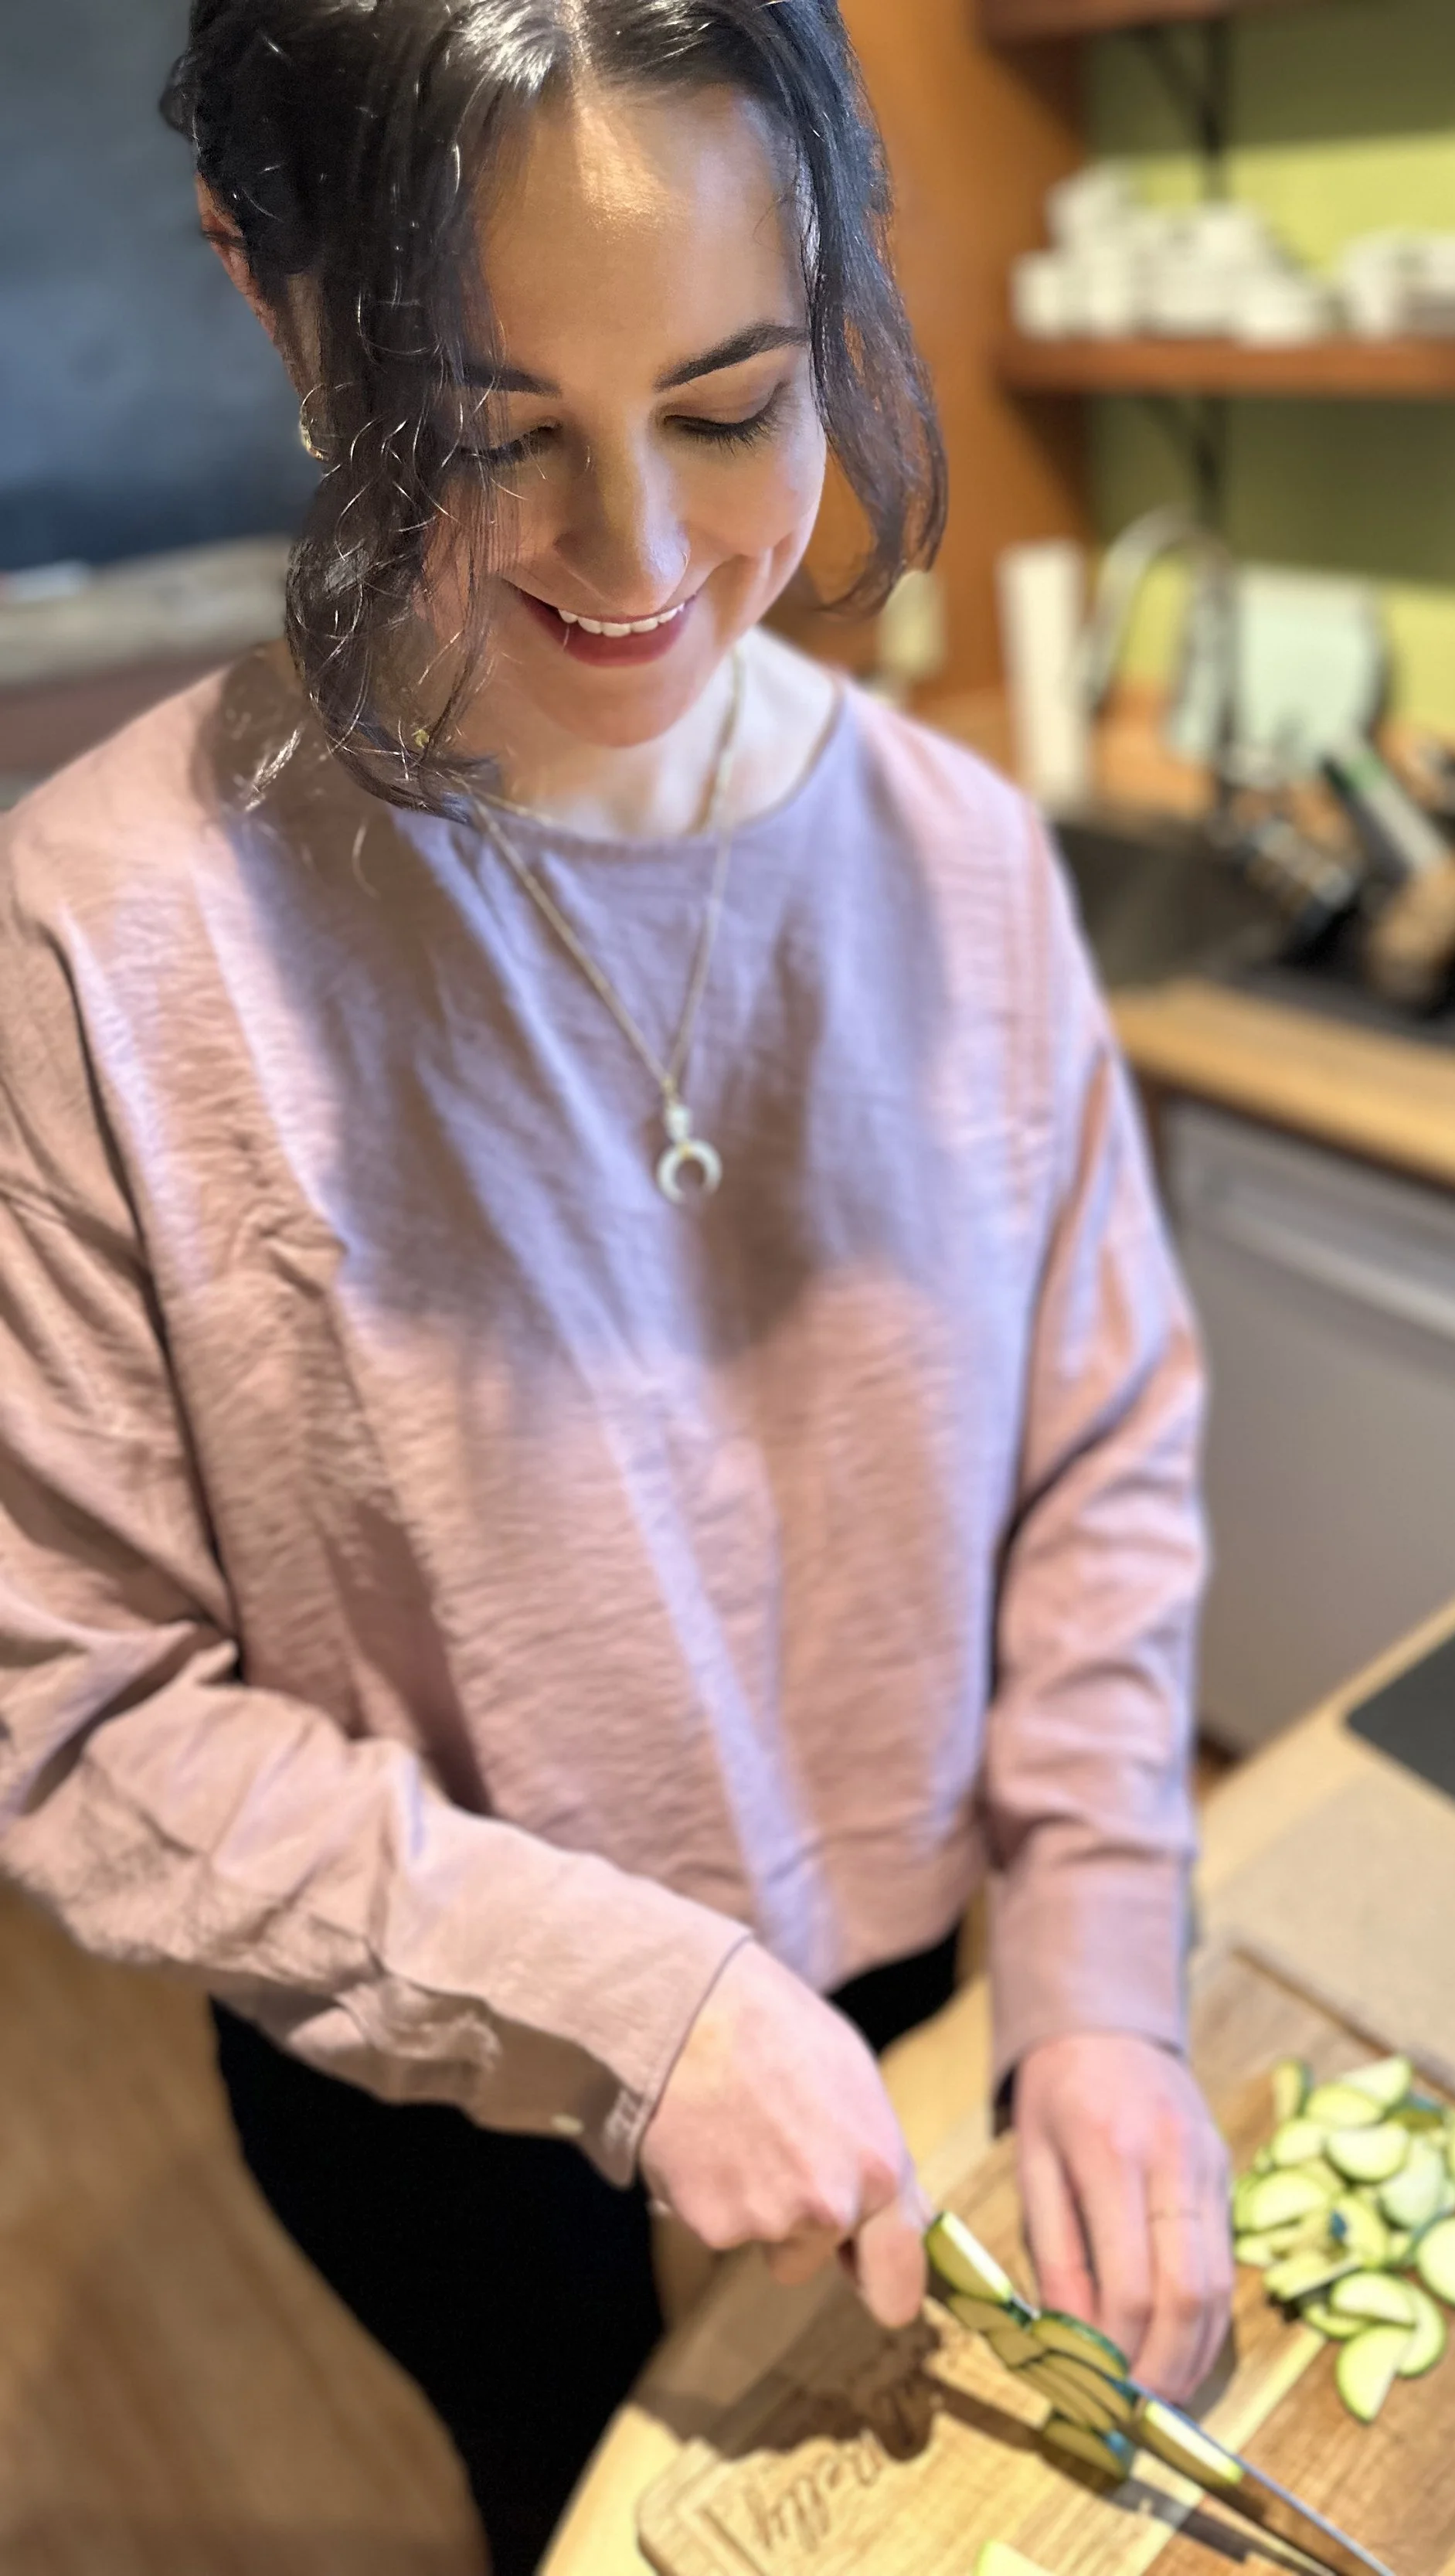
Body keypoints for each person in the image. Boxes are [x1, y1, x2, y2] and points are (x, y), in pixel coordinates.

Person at [0, 3, 1232, 2567]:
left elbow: (1100, 1455)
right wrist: (625, 2007)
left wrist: (1097, 1960)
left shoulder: (965, 866)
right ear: (271, 286)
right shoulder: (107, 939)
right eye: (488, 430)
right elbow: (81, 1711)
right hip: (437, 2073)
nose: (641, 558)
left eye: (730, 400)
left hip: (928, 1978)